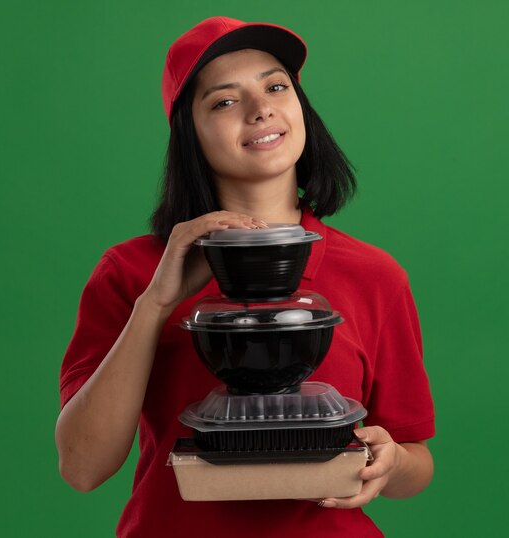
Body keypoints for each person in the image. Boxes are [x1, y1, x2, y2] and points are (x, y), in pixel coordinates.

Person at [55, 16, 435, 538]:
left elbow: (414, 458)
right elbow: (82, 468)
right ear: (189, 134)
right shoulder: (131, 272)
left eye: (277, 86)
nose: (262, 110)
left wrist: (391, 463)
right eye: (225, 101)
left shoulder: (375, 275)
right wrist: (155, 305)